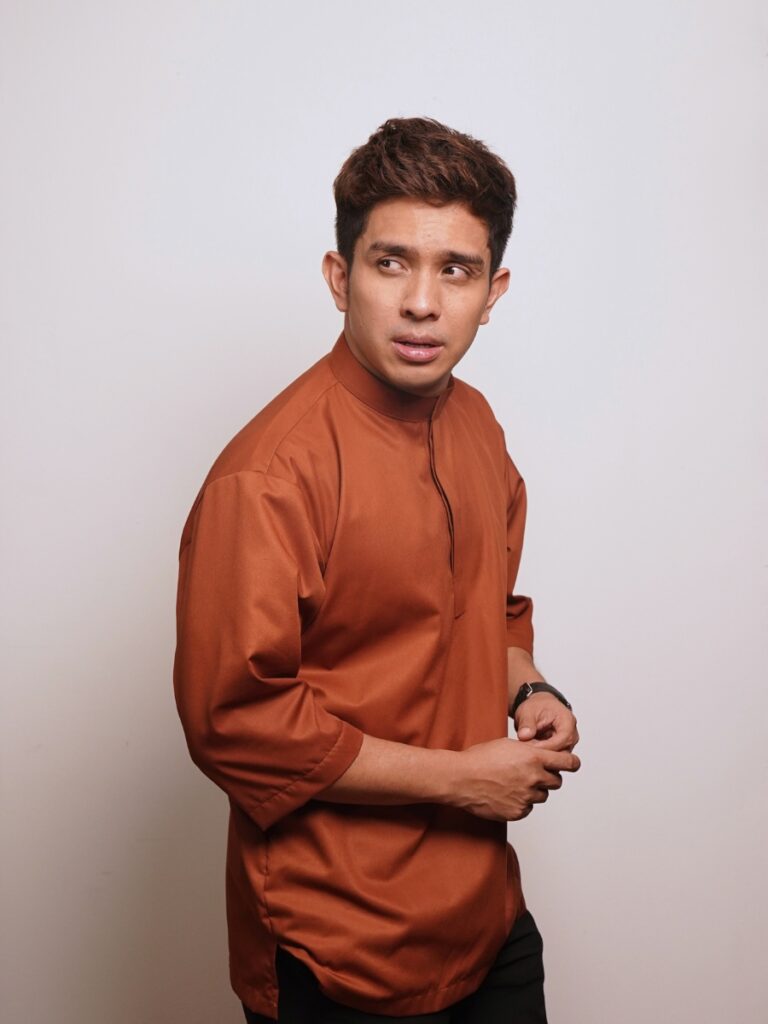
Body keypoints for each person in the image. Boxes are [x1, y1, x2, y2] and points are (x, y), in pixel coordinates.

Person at [173, 116, 580, 1024]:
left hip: (485, 919)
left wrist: (527, 688)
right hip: (336, 945)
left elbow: (490, 613)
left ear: (493, 290)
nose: (422, 302)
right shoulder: (269, 477)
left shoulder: (477, 424)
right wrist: (462, 780)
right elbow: (237, 721)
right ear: (339, 277)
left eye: (456, 270)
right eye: (391, 263)